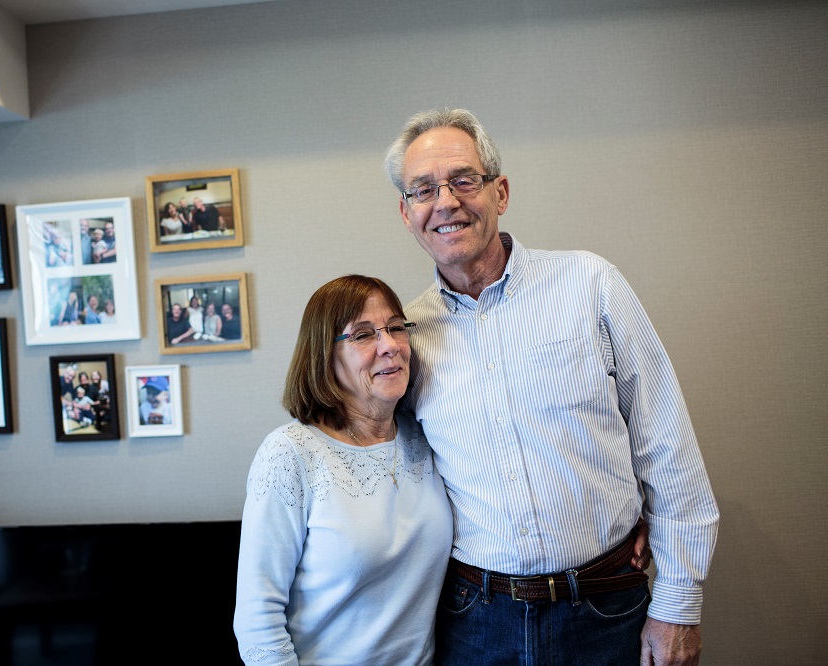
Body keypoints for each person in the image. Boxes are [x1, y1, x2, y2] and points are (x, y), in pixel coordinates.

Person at [384, 108, 719, 665]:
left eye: (464, 179)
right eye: (423, 189)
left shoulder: (590, 283)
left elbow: (666, 440)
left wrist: (679, 603)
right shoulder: (405, 340)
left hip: (606, 607)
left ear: (501, 192)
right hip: (475, 622)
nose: (445, 201)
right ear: (406, 211)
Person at [234, 275, 453, 665]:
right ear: (324, 354)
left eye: (396, 328)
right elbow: (257, 620)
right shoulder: (290, 454)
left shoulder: (427, 438)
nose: (390, 346)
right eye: (363, 335)